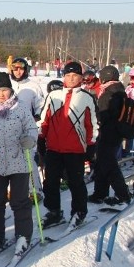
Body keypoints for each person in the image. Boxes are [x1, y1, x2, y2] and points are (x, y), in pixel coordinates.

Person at [38, 61, 98, 229]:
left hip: (75, 149)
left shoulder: (87, 97)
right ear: (63, 76)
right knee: (50, 182)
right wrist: (41, 139)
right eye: (68, 75)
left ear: (80, 77)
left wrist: (91, 145)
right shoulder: (53, 95)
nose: (71, 79)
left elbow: (92, 125)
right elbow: (44, 119)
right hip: (54, 148)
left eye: (75, 76)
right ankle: (54, 211)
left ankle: (79, 211)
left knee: (75, 182)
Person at [0, 71, 37, 256]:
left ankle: (23, 235)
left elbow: (31, 127)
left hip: (18, 162)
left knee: (19, 201)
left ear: (10, 90)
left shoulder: (20, 108)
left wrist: (30, 138)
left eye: (4, 90)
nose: (1, 95)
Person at [88, 66, 133, 207]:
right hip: (115, 133)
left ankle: (122, 195)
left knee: (109, 165)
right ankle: (100, 193)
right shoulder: (119, 89)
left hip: (108, 133)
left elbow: (103, 114)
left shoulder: (108, 93)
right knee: (102, 163)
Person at [8, 57, 46, 198]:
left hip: (27, 128)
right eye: (15, 68)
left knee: (28, 159)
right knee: (10, 158)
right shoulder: (7, 84)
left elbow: (41, 107)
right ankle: (14, 189)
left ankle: (35, 190)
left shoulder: (33, 86)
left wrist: (35, 120)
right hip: (8, 128)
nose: (18, 71)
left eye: (21, 68)